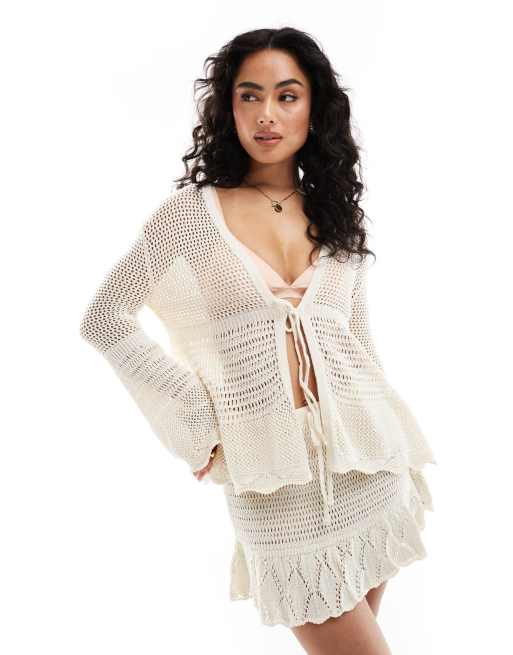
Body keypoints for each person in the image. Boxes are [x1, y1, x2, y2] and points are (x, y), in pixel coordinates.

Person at [79, 26, 436, 655]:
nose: (267, 113)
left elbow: (359, 342)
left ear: (313, 108)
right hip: (273, 483)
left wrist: (397, 444)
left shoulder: (337, 216)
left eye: (287, 95)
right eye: (250, 96)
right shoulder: (190, 217)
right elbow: (105, 317)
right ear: (230, 108)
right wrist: (196, 418)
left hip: (370, 464)